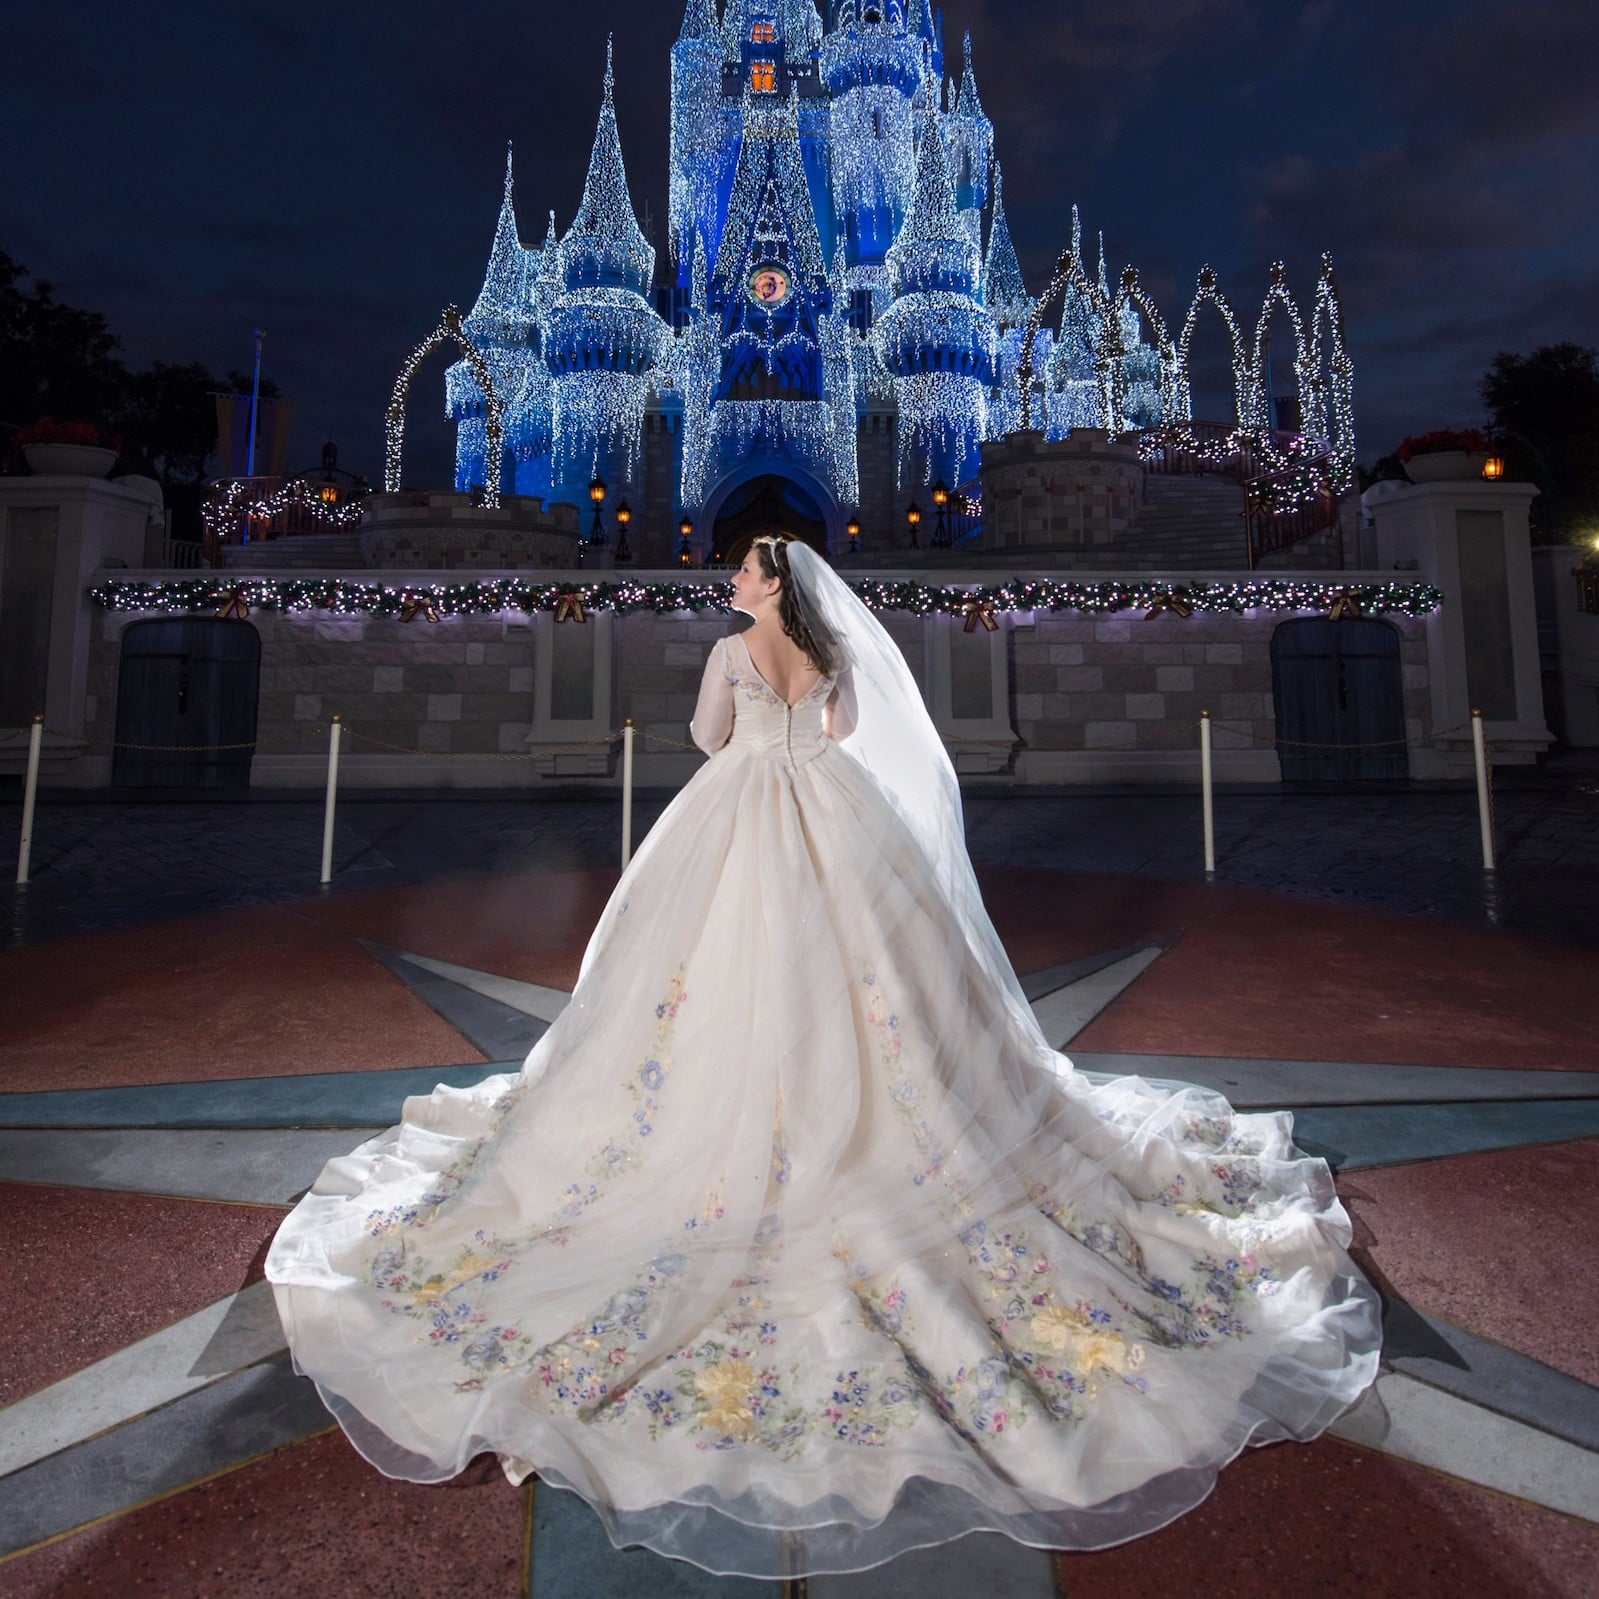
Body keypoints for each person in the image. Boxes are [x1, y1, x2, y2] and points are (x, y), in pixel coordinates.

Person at [267, 535, 1379, 1579]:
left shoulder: (723, 654)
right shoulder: (835, 648)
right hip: (839, 818)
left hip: (739, 815)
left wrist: (753, 727)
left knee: (706, 979)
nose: (733, 585)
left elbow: (706, 741)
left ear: (769, 587)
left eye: (744, 574)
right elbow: (845, 737)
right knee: (882, 979)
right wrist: (797, 727)